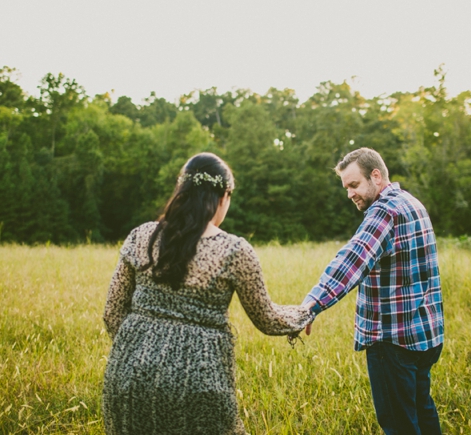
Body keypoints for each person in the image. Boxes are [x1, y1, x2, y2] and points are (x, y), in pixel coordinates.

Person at [102, 152, 314, 435]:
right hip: (198, 381)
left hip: (128, 377)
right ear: (223, 196)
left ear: (183, 191)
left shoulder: (141, 235)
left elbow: (112, 312)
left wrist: (142, 352)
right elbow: (268, 319)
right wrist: (305, 313)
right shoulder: (234, 250)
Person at [302, 147, 444, 435]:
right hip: (424, 335)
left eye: (354, 185)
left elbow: (352, 260)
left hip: (392, 341)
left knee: (399, 425)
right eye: (346, 187)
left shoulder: (384, 212)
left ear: (376, 176)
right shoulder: (411, 203)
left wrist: (310, 305)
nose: (349, 194)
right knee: (422, 412)